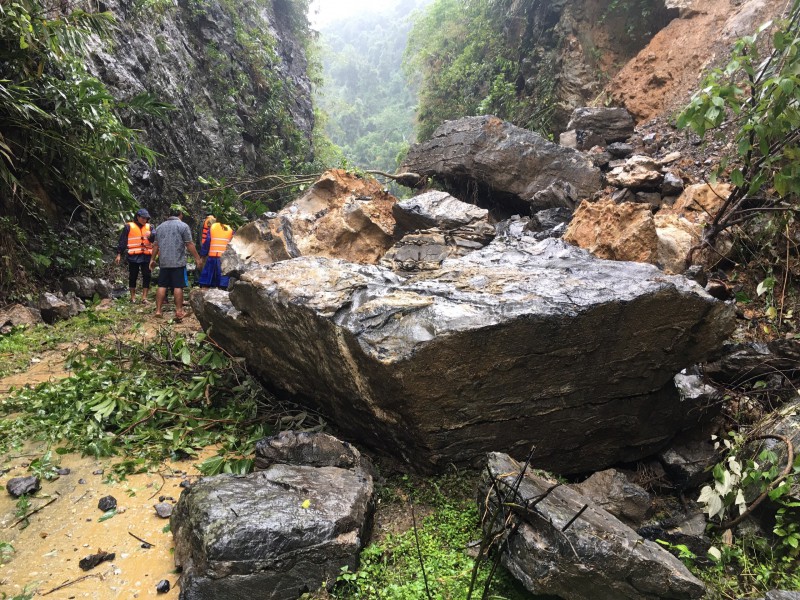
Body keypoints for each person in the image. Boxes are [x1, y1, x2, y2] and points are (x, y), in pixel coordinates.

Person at [149, 204, 202, 320]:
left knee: (162, 285)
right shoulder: (183, 226)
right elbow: (189, 244)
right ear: (180, 215)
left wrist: (152, 259)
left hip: (164, 262)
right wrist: (197, 258)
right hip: (177, 262)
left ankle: (158, 310)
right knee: (178, 286)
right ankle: (179, 311)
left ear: (169, 215)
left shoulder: (160, 227)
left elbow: (156, 245)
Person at [115, 208, 154, 304]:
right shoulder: (129, 226)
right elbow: (123, 240)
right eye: (143, 218)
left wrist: (152, 235)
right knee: (133, 276)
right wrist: (119, 253)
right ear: (138, 217)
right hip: (134, 256)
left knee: (147, 275)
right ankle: (132, 297)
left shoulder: (150, 227)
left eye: (146, 218)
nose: (144, 220)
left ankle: (144, 298)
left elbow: (156, 239)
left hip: (146, 255)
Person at [198, 218, 235, 289]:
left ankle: (204, 296)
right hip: (224, 259)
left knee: (207, 282)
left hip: (212, 258)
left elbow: (207, 241)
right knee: (223, 283)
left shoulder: (213, 227)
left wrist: (203, 255)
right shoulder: (230, 230)